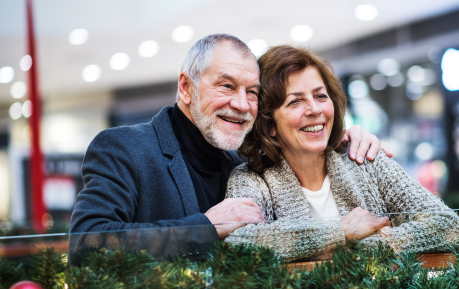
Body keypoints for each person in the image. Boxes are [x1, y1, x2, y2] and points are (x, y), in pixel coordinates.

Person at [68, 34, 389, 261]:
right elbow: (86, 243)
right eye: (226, 86)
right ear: (186, 87)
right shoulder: (125, 147)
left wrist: (342, 140)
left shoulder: (244, 162)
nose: (241, 104)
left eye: (252, 92)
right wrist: (206, 227)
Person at [224, 45, 459, 261]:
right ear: (270, 125)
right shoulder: (250, 178)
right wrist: (341, 230)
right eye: (295, 102)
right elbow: (239, 244)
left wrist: (361, 247)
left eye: (320, 96)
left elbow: (449, 226)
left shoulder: (366, 159)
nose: (315, 109)